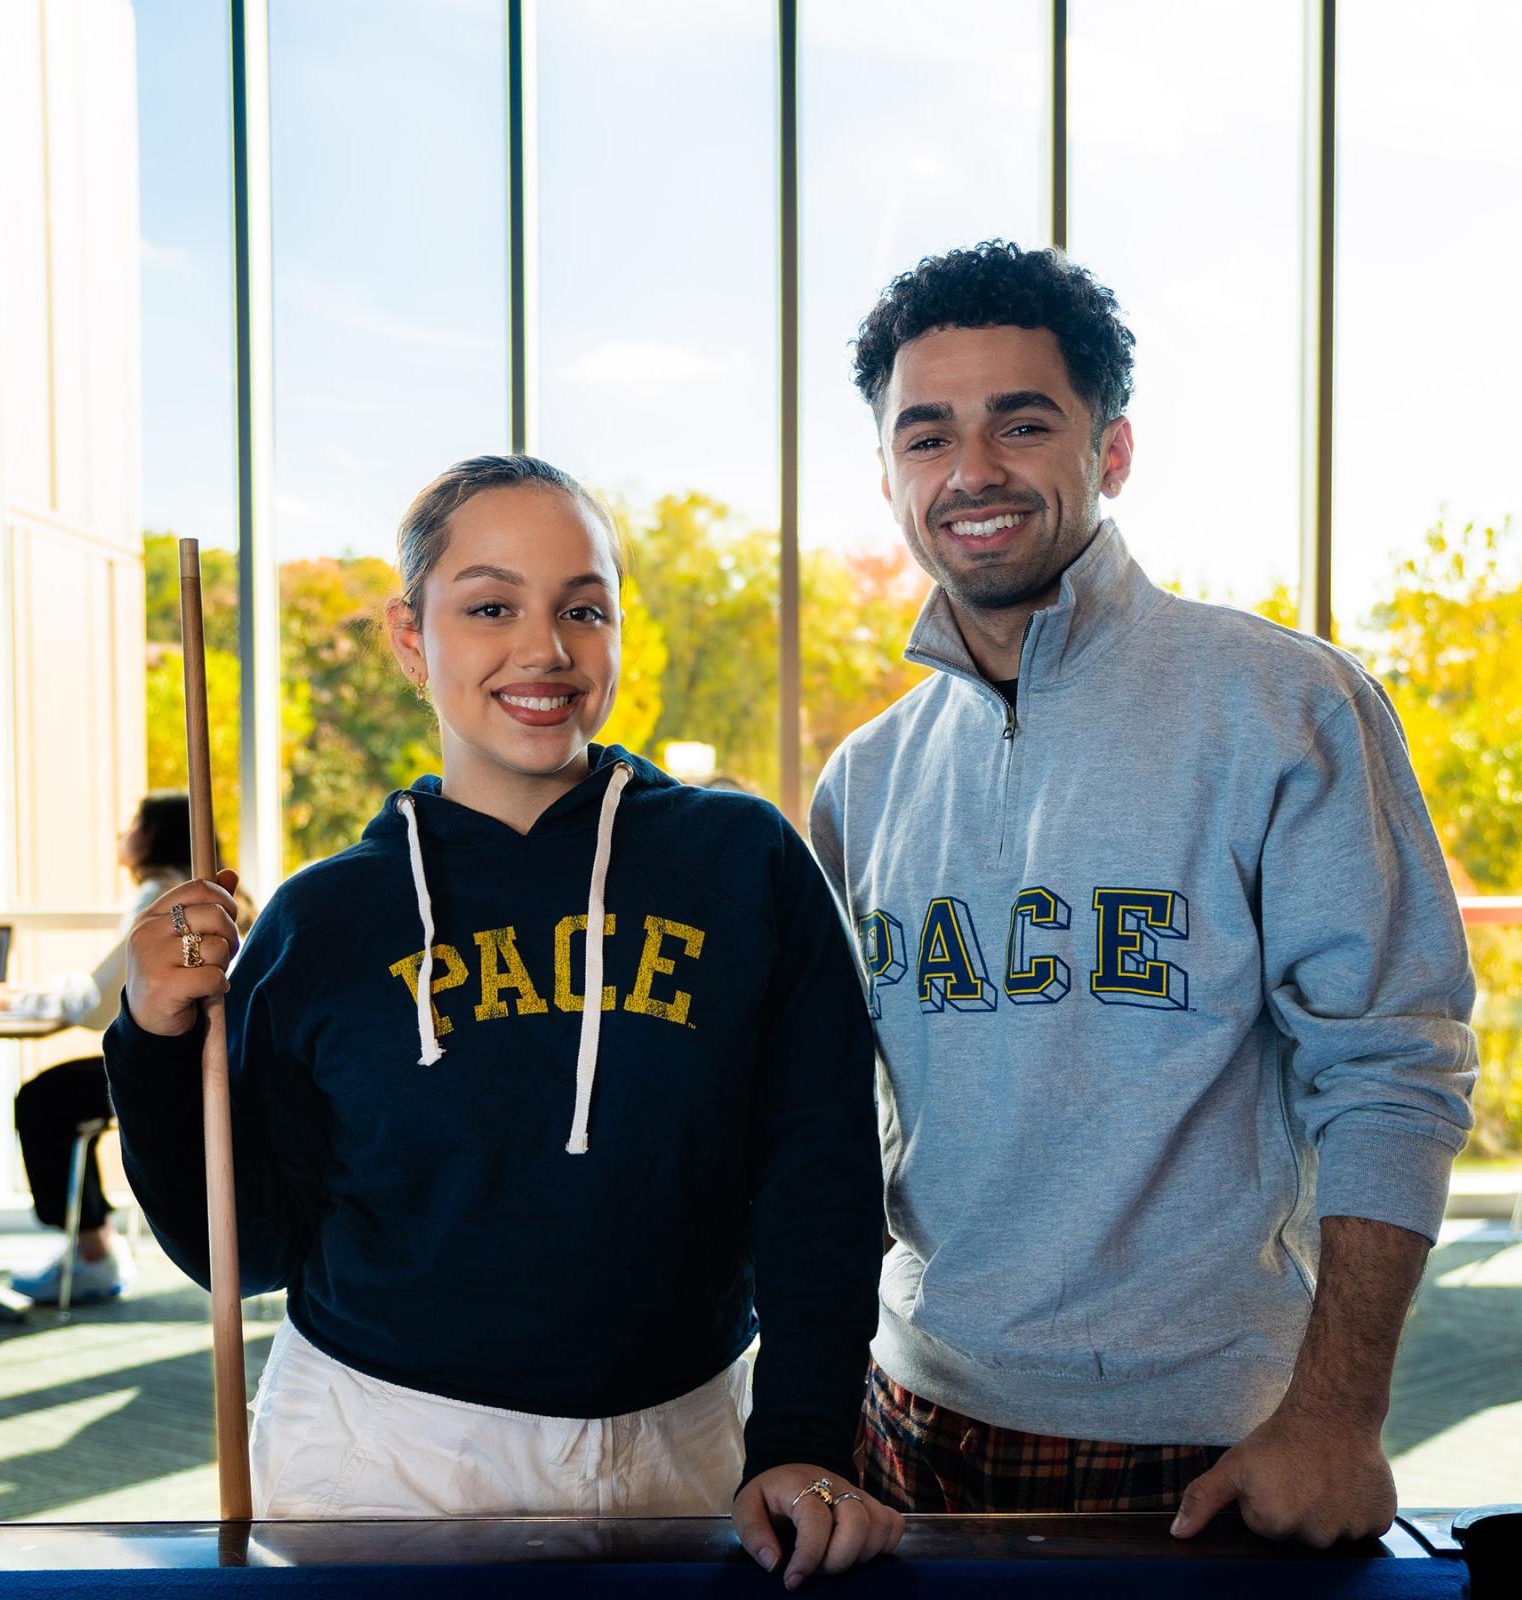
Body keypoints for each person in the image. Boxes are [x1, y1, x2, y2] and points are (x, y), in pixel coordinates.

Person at [104, 454, 901, 1583]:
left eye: (583, 607)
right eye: (489, 606)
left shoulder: (747, 863)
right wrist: (152, 1034)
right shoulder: (321, 919)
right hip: (385, 1456)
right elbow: (244, 1246)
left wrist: (809, 1438)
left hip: (689, 1439)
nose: (545, 649)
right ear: (408, 639)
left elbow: (818, 1174)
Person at [808, 241, 1478, 1546]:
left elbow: (1396, 1071)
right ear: (890, 473)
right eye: (927, 434)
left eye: (1023, 423)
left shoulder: (1286, 707)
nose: (973, 471)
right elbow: (836, 1134)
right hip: (904, 1423)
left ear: (1110, 453)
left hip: (1209, 1445)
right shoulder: (863, 781)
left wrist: (1338, 1412)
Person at [0, 793, 212, 1303]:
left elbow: (101, 1002)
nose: (124, 831)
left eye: (135, 822)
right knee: (65, 1095)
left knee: (43, 1100)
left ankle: (94, 1252)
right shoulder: (204, 895)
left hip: (175, 1064)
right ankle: (96, 1246)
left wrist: (18, 998)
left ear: (155, 835)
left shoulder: (162, 899)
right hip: (205, 1056)